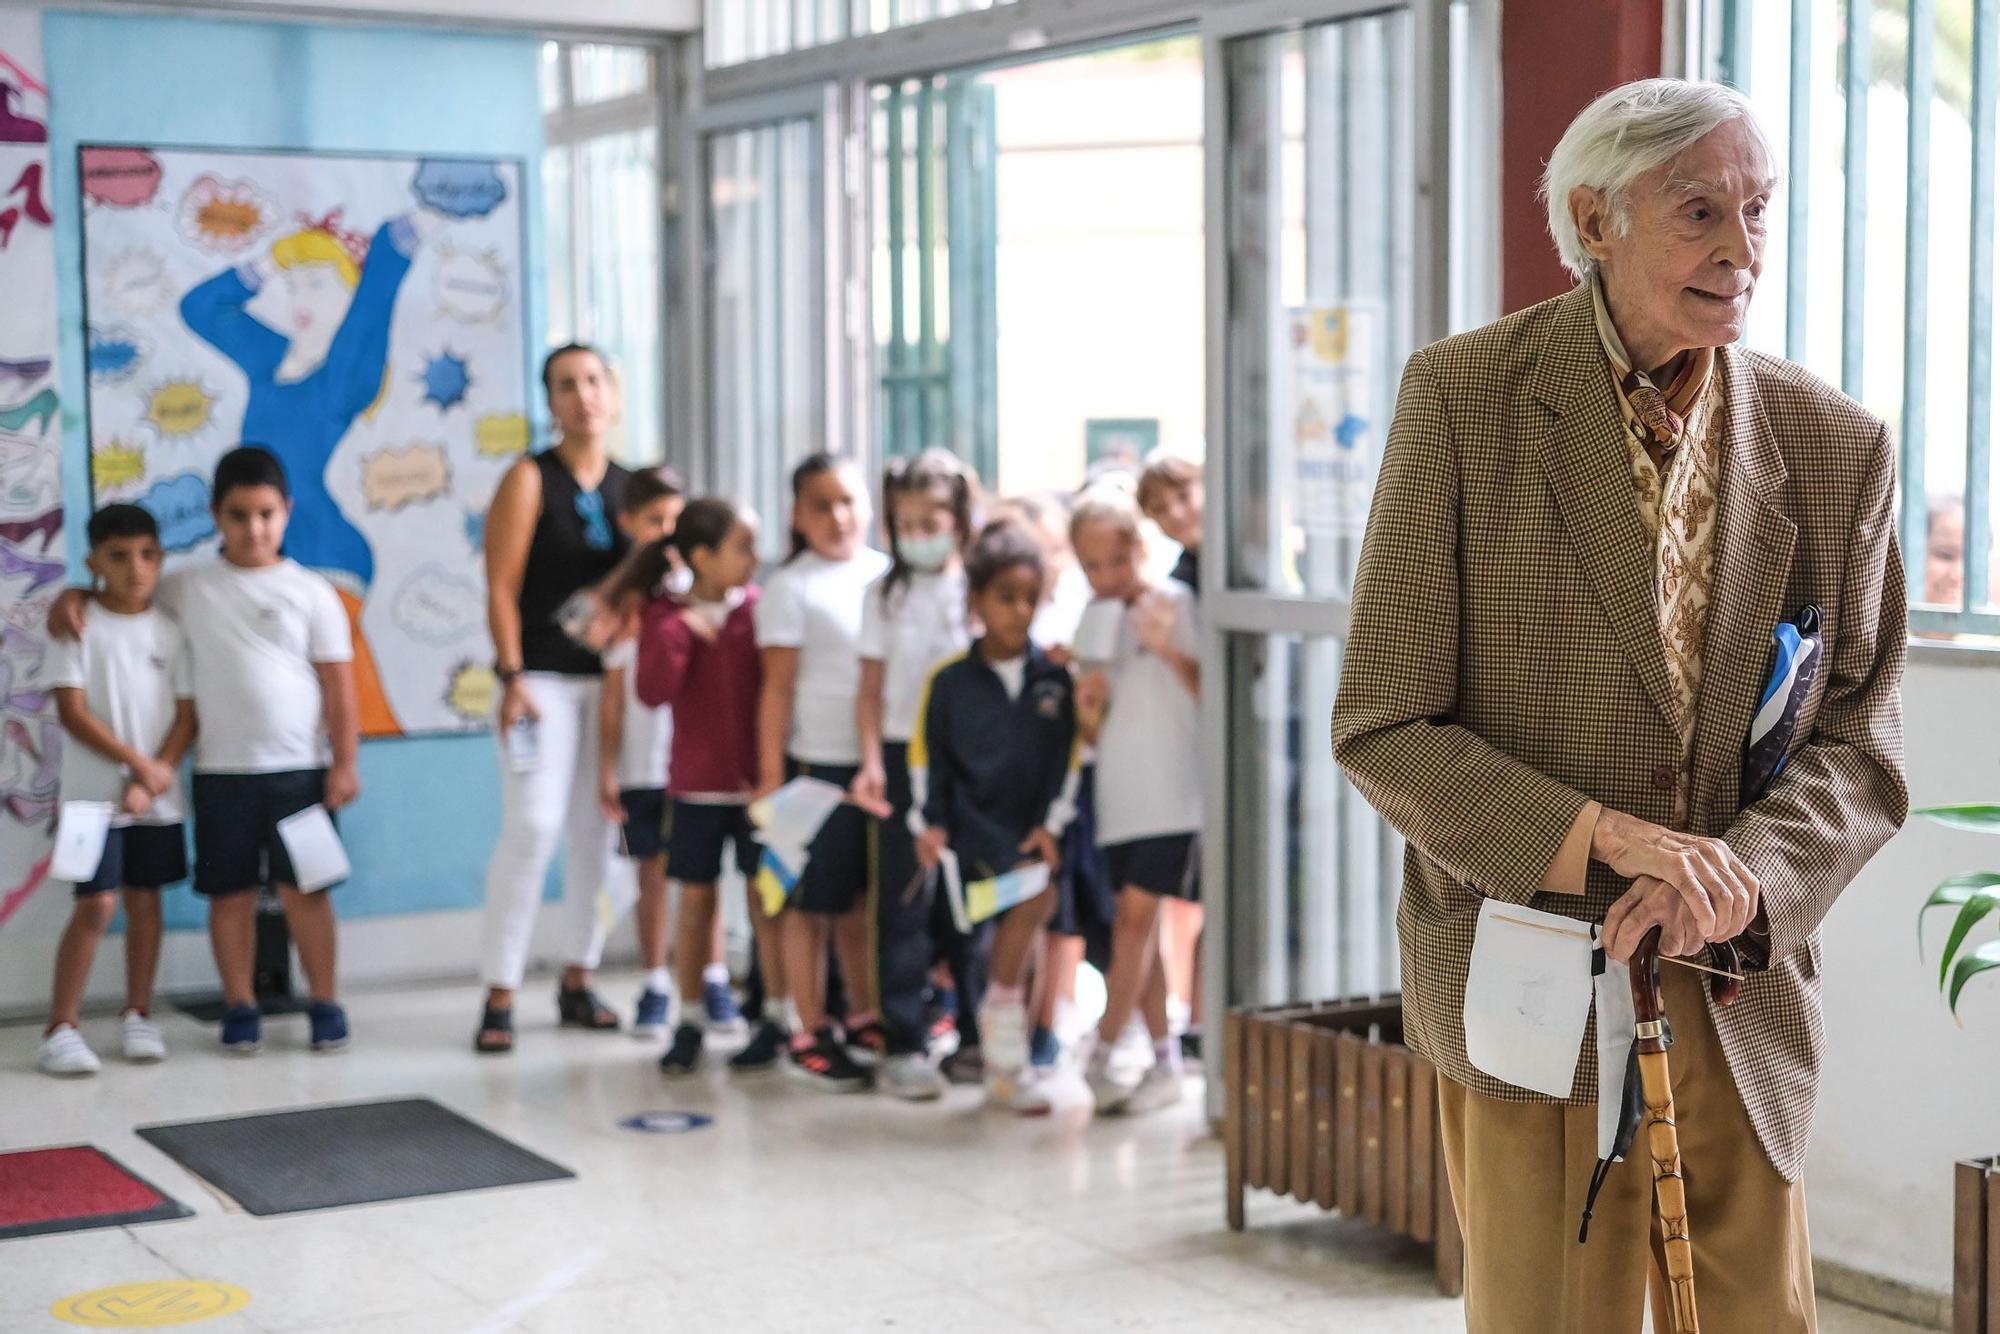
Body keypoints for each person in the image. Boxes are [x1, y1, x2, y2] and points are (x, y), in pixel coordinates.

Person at [1330, 79, 1907, 1332]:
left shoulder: (1832, 442)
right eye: (1699, 210)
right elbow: (1381, 721)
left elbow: (1861, 737)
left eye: (1756, 209)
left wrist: (1743, 874)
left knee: (1760, 1316)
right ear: (1593, 218)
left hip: (1739, 983)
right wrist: (1608, 836)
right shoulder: (1463, 399)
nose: (1740, 249)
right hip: (1530, 978)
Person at [53, 446, 362, 1054]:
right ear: (217, 516)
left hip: (300, 773)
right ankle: (240, 1004)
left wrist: (346, 763)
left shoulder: (314, 593)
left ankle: (325, 1001)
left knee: (308, 892)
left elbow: (339, 686)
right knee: (232, 893)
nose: (254, 529)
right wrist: (71, 596)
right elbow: (120, 594)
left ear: (287, 513)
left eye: (267, 514)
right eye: (239, 515)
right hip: (221, 775)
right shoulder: (186, 586)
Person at [475, 344, 631, 1054]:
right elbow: (502, 588)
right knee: (533, 827)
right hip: (539, 678)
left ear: (613, 392)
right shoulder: (529, 478)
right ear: (550, 402)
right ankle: (500, 990)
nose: (582, 396)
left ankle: (579, 975)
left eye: (593, 381)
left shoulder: (638, 489)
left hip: (613, 683)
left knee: (598, 832)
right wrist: (510, 677)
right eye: (566, 385)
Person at [908, 519, 1082, 1113]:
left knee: (1034, 915)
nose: (1019, 610)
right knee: (987, 945)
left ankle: (1007, 1061)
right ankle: (999, 1050)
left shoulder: (1056, 678)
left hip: (1032, 834)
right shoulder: (950, 683)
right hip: (968, 835)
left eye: (1030, 598)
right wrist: (928, 824)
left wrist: (1051, 826)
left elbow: (1070, 760)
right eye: (1005, 597)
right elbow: (929, 760)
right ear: (977, 600)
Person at [37, 504, 194, 1076]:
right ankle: (60, 1028)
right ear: (93, 561)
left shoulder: (170, 631)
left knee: (145, 904)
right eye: (119, 556)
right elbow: (72, 713)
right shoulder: (76, 624)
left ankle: (137, 1014)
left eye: (148, 555)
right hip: (89, 802)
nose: (136, 568)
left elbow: (185, 716)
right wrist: (138, 768)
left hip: (154, 801)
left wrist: (157, 776)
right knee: (96, 905)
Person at [627, 498, 779, 1077]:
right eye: (742, 547)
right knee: (695, 902)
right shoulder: (665, 617)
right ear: (702, 557)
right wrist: (679, 635)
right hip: (695, 790)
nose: (754, 559)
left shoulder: (761, 611)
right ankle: (688, 1020)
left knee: (767, 900)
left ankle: (778, 1016)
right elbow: (652, 691)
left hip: (759, 789)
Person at [754, 454, 891, 1091]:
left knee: (858, 902)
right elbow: (776, 690)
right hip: (814, 764)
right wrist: (770, 775)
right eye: (821, 504)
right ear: (797, 515)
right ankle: (807, 1029)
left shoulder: (884, 578)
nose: (839, 517)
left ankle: (862, 1014)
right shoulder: (793, 586)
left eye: (849, 501)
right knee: (807, 904)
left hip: (874, 764)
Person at [1070, 489, 1202, 1116]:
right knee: (1135, 931)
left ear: (1141, 547)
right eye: (1091, 567)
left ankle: (1100, 1050)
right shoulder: (1093, 620)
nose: (1106, 578)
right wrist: (1088, 709)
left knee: (1134, 922)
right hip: (1118, 796)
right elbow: (1092, 732)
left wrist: (1170, 648)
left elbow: (1213, 695)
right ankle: (1163, 1059)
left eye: (1116, 561)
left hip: (1173, 793)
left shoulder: (1178, 603)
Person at [853, 449, 977, 1101]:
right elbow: (870, 687)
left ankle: (976, 1035)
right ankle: (903, 1039)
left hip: (971, 761)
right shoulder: (886, 592)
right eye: (907, 522)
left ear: (959, 518)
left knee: (971, 900)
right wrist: (872, 760)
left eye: (934, 519)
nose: (920, 533)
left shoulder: (979, 586)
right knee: (905, 900)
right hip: (904, 756)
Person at [595, 468, 688, 1038]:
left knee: (698, 876)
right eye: (655, 520)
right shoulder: (619, 609)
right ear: (628, 523)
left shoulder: (695, 596)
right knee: (649, 874)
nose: (667, 531)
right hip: (640, 766)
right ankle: (655, 979)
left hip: (693, 767)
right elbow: (612, 700)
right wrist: (607, 769)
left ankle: (713, 977)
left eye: (676, 520)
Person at [1135, 451, 1208, 1063]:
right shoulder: (1180, 586)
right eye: (1159, 509)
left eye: (1182, 495)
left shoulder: (1244, 557)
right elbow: (1211, 689)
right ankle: (1202, 1024)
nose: (1175, 514)